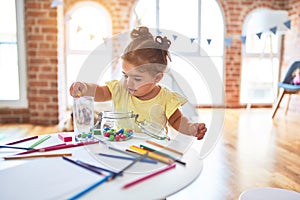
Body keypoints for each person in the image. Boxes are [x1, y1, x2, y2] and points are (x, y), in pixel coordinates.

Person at [70, 26, 207, 140]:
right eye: (125, 75)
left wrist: (190, 128)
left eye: (137, 79)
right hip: (121, 147)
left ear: (157, 78)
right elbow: (102, 92)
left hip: (154, 150)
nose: (129, 83)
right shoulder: (120, 88)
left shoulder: (166, 98)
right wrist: (86, 88)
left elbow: (177, 120)